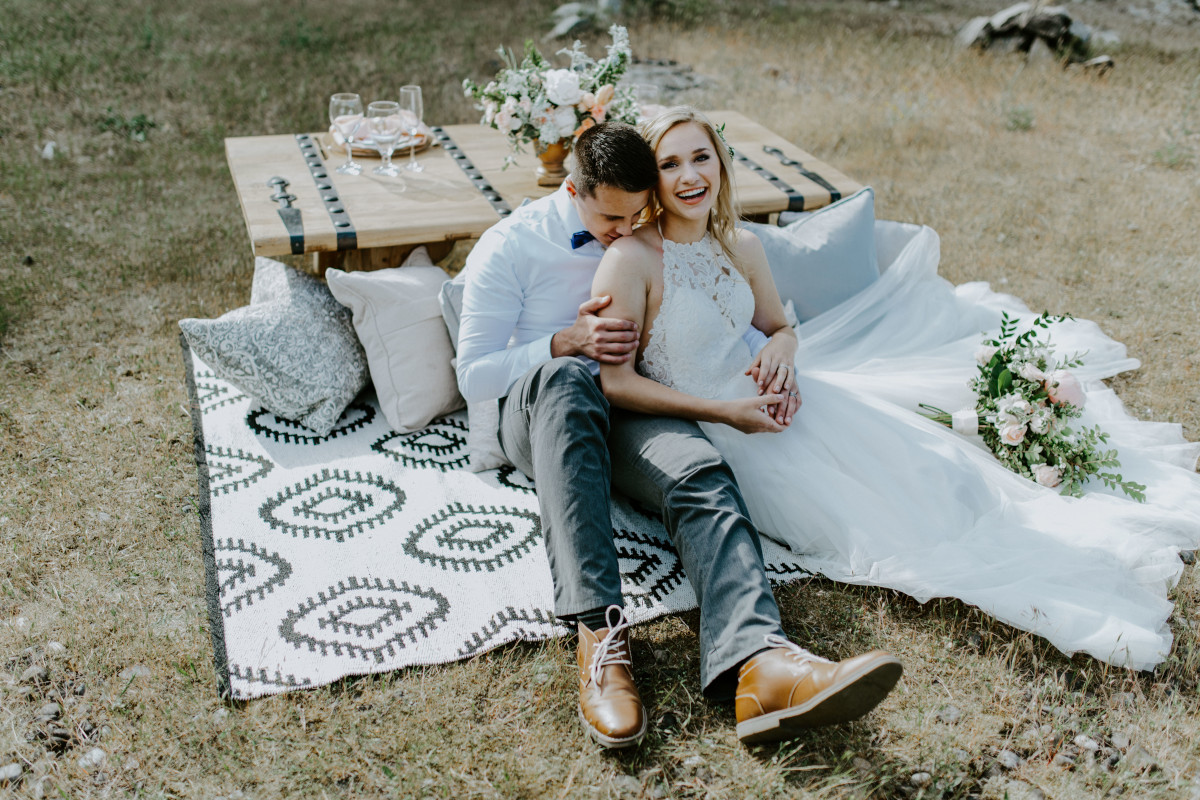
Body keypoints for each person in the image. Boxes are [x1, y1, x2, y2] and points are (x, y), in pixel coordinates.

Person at [592, 106, 1200, 675]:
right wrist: (725, 410)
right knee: (877, 522)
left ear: (721, 163)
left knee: (937, 474)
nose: (689, 176)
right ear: (651, 179)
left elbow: (778, 325)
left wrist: (782, 349)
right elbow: (616, 383)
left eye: (700, 157)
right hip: (715, 425)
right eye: (670, 164)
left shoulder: (741, 244)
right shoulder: (633, 260)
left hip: (781, 401)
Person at [455, 121, 902, 749]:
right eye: (610, 217)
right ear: (571, 186)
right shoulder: (510, 247)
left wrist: (776, 355)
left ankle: (759, 664)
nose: (623, 230)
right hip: (542, 412)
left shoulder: (649, 237)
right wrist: (564, 341)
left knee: (699, 471)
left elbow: (718, 306)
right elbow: (473, 375)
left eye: (637, 214)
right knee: (566, 381)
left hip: (627, 401)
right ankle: (600, 639)